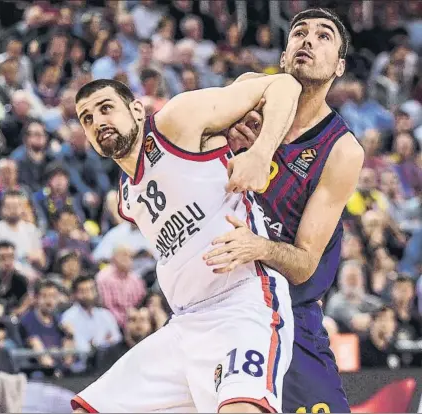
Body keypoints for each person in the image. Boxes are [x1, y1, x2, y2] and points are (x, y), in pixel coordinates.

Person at [71, 61, 302, 411]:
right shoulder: (127, 199)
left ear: (135, 109)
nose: (97, 122)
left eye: (106, 109)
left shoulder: (174, 121)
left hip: (241, 307)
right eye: (86, 118)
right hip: (184, 326)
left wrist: (259, 152)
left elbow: (284, 85)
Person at [210, 8, 365, 413]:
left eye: (324, 36)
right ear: (283, 55)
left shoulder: (342, 150)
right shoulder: (248, 91)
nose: (308, 40)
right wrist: (218, 136)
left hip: (289, 314)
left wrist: (256, 247)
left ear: (339, 66)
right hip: (217, 302)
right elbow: (187, 139)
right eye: (299, 32)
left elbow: (303, 265)